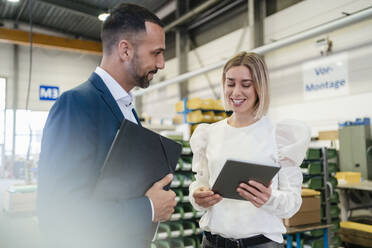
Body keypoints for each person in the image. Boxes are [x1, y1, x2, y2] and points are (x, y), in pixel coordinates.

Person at [37, 3, 176, 248]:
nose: (162, 63)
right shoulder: (76, 105)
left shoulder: (126, 107)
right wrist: (148, 208)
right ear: (125, 50)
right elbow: (58, 213)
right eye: (156, 53)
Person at [189, 52, 311, 248]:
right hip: (212, 242)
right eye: (230, 83)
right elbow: (200, 183)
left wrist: (269, 198)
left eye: (246, 84)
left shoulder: (278, 136)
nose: (236, 92)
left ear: (260, 87)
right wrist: (198, 195)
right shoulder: (209, 134)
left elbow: (292, 203)